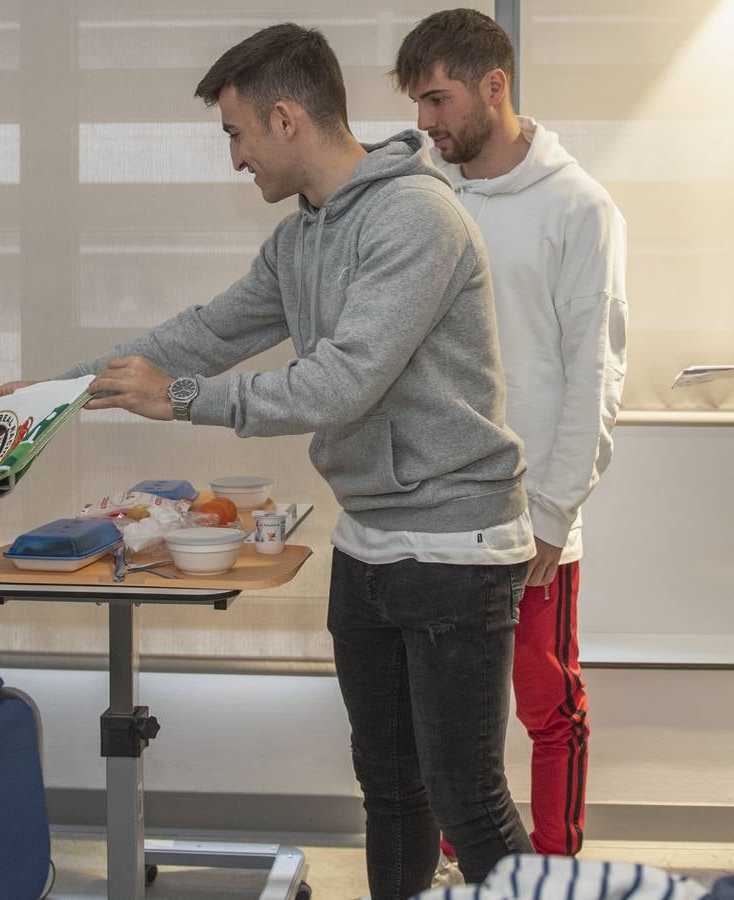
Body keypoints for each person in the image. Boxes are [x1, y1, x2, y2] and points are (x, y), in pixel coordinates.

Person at [0, 23, 533, 897]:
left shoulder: (417, 218)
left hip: (455, 549)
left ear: (283, 120)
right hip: (372, 541)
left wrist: (186, 399)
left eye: (235, 134)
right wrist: (55, 393)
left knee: (467, 797)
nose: (235, 158)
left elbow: (340, 384)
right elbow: (205, 333)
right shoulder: (304, 235)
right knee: (390, 790)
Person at [394, 8, 628, 859]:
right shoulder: (425, 194)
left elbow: (595, 373)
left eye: (438, 99)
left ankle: (555, 872)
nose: (425, 121)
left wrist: (553, 511)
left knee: (546, 704)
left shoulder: (580, 207)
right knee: (453, 713)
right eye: (419, 103)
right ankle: (466, 864)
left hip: (530, 519)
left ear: (496, 86)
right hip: (434, 510)